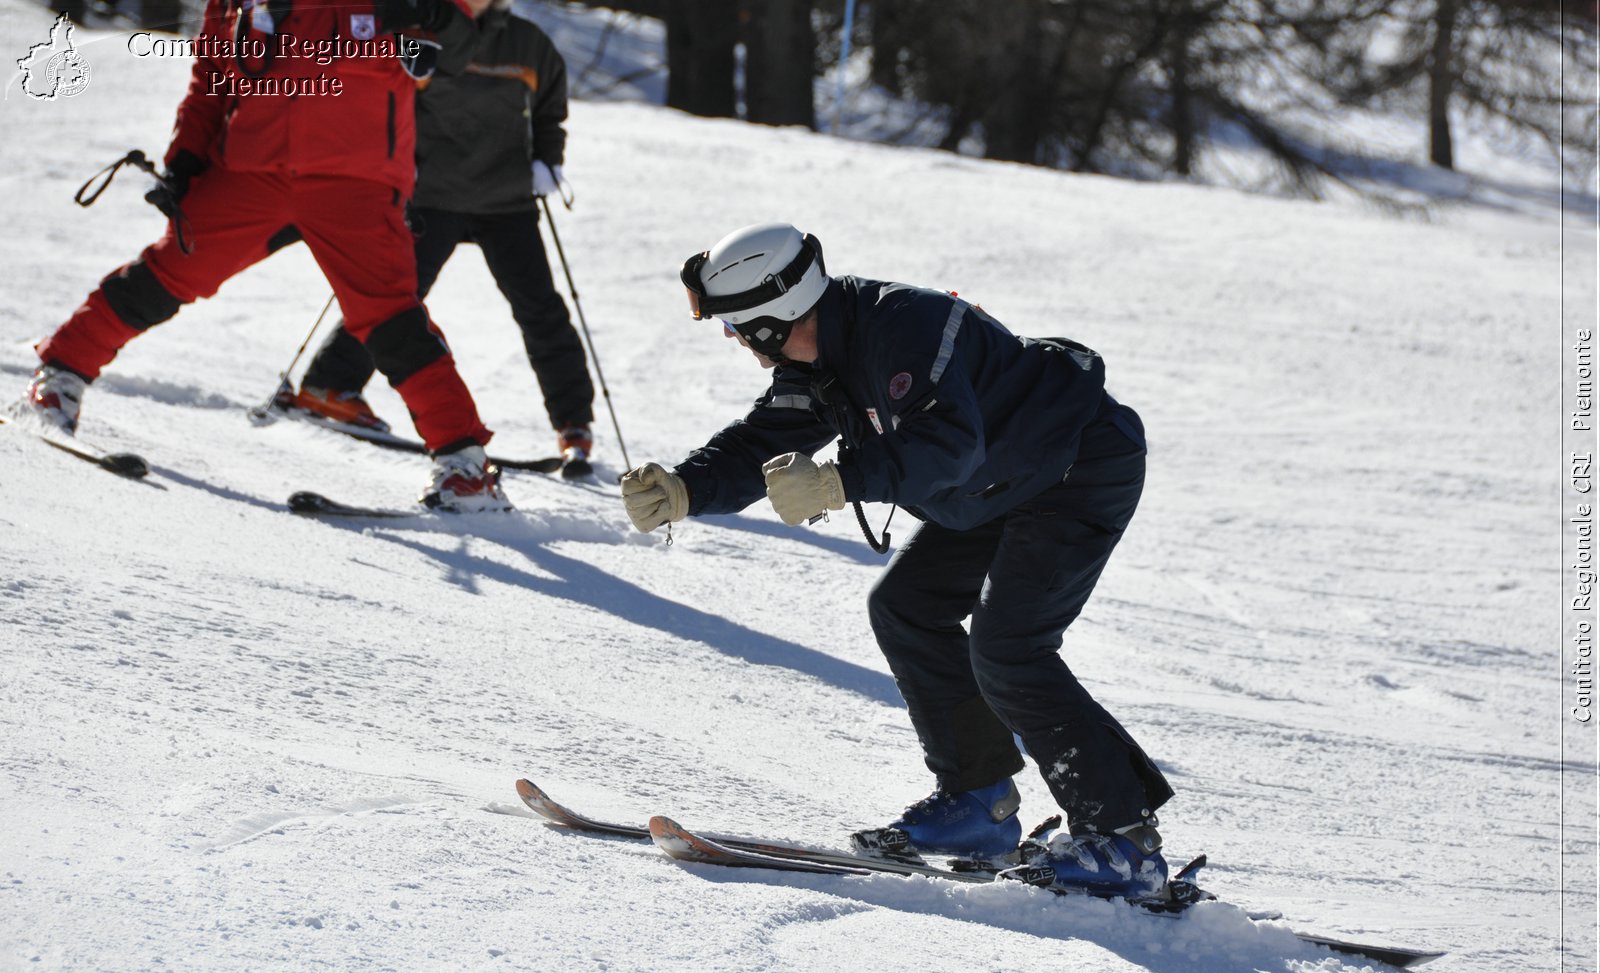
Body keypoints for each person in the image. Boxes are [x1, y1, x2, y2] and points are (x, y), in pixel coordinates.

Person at [620, 223, 1173, 897]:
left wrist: (837, 480)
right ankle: (979, 804)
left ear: (774, 318)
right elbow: (764, 440)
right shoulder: (818, 359)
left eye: (738, 326)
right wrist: (685, 487)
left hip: (1075, 468)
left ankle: (1122, 839)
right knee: (907, 607)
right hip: (995, 487)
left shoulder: (902, 328)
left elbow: (947, 443)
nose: (734, 340)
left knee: (1010, 648)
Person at [23, 0, 511, 511]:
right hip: (250, 171)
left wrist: (434, 16)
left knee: (391, 319)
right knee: (166, 275)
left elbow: (455, 53)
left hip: (356, 180)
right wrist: (185, 161)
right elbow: (211, 76)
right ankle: (58, 377)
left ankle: (466, 469)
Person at [277, 2, 597, 474]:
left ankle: (574, 425)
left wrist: (547, 160)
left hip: (506, 202)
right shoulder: (424, 28)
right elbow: (392, 99)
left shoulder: (530, 43)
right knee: (391, 302)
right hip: (432, 197)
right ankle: (329, 387)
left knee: (542, 311)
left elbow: (550, 110)